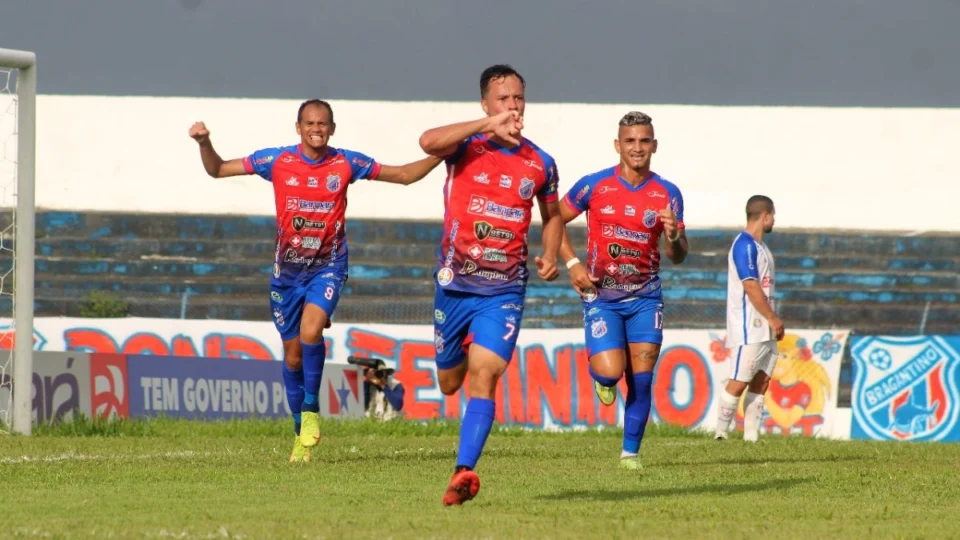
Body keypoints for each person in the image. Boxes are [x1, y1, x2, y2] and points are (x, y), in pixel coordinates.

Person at [188, 100, 442, 463]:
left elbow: (403, 174)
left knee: (311, 333)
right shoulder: (275, 161)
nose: (316, 129)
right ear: (298, 127)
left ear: (332, 128)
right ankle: (298, 435)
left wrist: (445, 153)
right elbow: (217, 169)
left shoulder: (345, 163)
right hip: (286, 277)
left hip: (328, 268)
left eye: (323, 123)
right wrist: (203, 143)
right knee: (292, 357)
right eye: (310, 123)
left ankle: (310, 412)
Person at [418, 64, 564, 505]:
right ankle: (460, 349)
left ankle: (463, 473)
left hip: (502, 291)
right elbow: (425, 141)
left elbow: (553, 215)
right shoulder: (467, 145)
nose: (513, 106)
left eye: (519, 98)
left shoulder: (540, 162)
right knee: (449, 383)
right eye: (503, 99)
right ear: (485, 103)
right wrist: (486, 125)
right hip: (455, 283)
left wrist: (552, 252)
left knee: (486, 374)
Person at [558, 111, 688, 470]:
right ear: (618, 145)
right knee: (611, 372)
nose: (637, 148)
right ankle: (604, 379)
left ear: (655, 146)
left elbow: (678, 256)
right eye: (630, 141)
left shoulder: (668, 193)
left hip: (646, 297)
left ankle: (630, 455)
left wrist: (674, 234)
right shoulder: (595, 185)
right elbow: (553, 218)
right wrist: (572, 263)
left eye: (644, 141)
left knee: (642, 379)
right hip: (602, 297)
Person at [715, 195, 783, 442]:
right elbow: (751, 286)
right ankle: (721, 433)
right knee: (739, 380)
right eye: (772, 215)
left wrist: (771, 320)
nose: (774, 220)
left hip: (764, 327)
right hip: (749, 326)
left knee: (761, 380)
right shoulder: (744, 245)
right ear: (765, 215)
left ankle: (751, 437)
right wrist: (772, 317)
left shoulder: (762, 247)